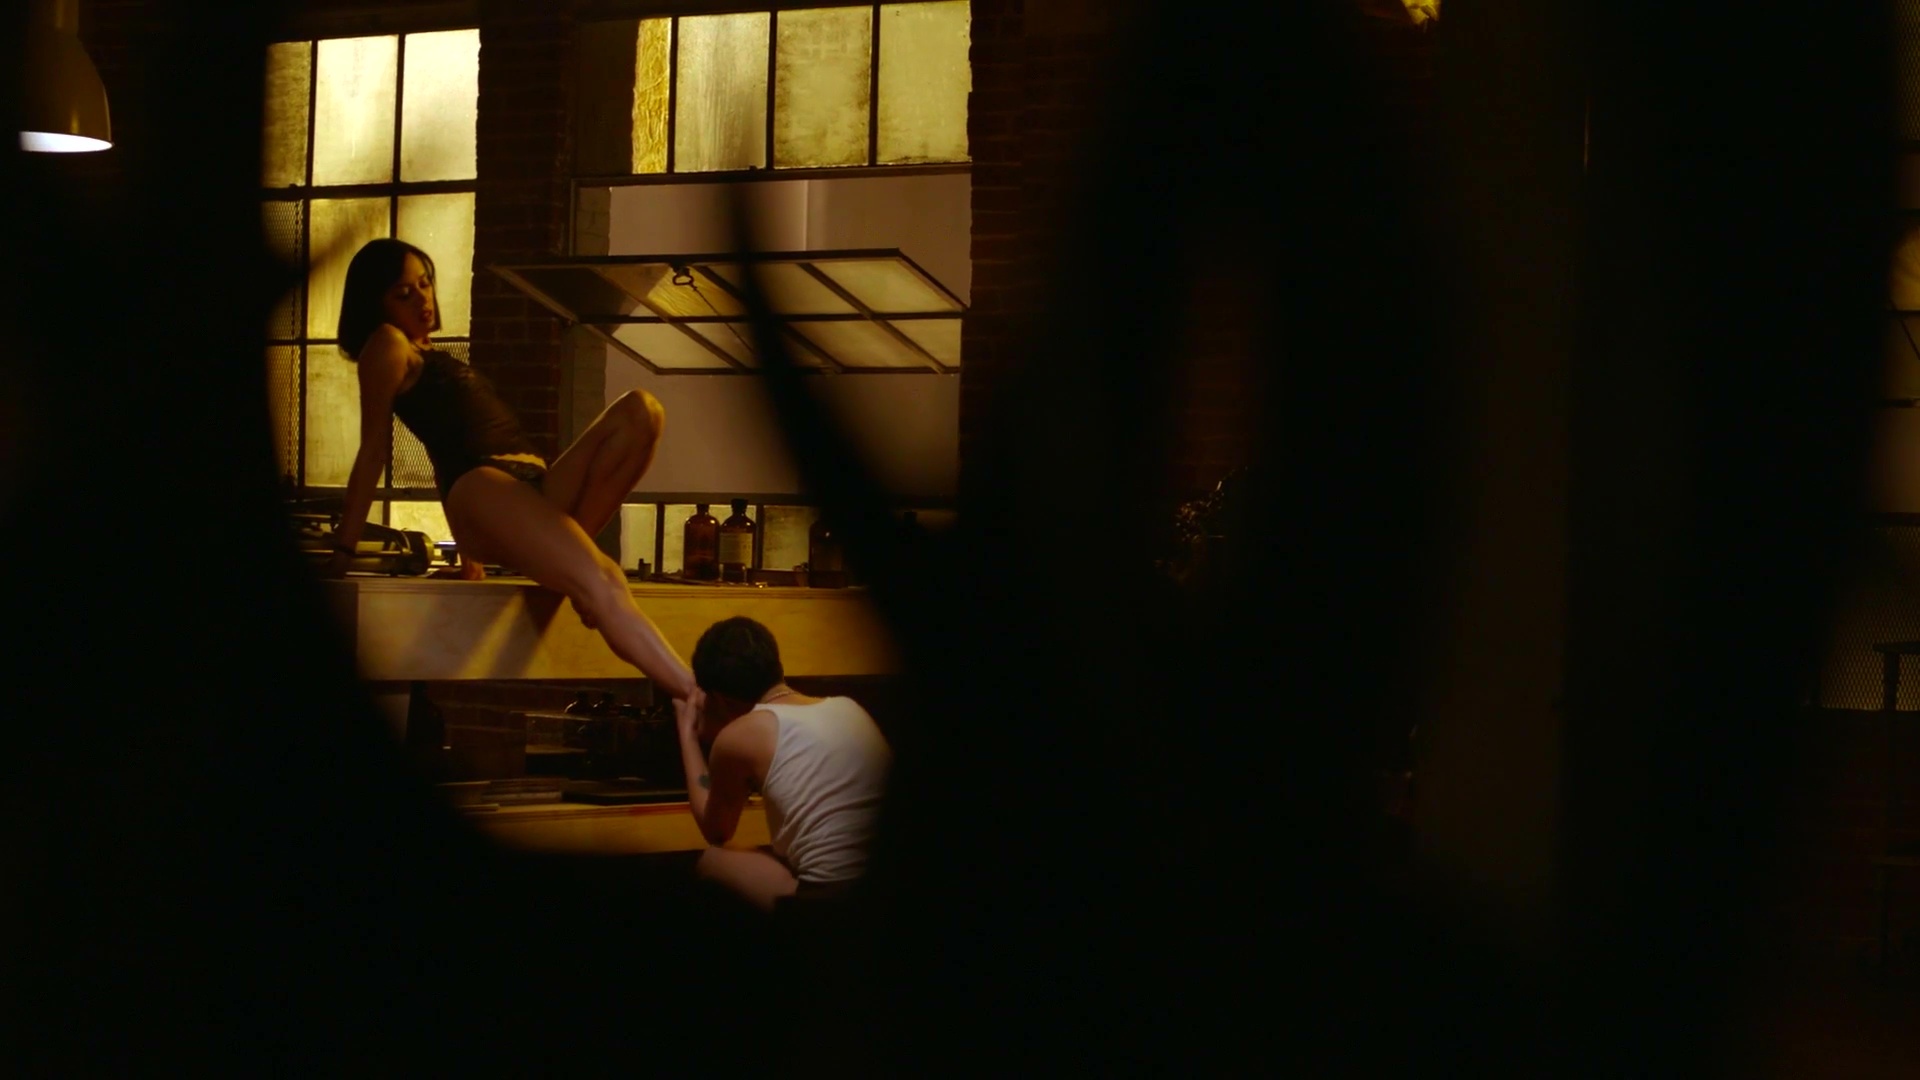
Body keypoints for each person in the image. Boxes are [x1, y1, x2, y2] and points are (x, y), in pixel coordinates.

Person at [326, 237, 694, 699]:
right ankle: (692, 696)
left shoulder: (428, 352)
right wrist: (344, 553)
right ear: (375, 304)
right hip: (484, 486)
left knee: (642, 411)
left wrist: (470, 562)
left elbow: (441, 445)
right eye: (403, 293)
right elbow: (373, 453)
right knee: (605, 579)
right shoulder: (387, 344)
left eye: (424, 283)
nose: (422, 299)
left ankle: (571, 567)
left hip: (532, 487)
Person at [675, 616, 892, 911]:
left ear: (718, 699)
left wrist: (687, 733)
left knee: (714, 859)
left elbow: (716, 831)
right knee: (778, 854)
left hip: (833, 902)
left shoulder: (741, 734)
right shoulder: (848, 706)